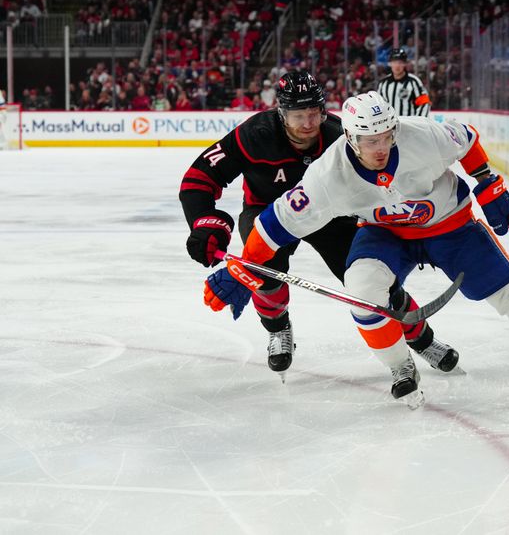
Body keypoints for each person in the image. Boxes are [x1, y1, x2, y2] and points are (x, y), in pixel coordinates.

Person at [202, 91, 509, 408]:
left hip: (451, 226)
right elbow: (274, 225)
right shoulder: (327, 175)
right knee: (361, 288)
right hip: (384, 233)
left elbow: (466, 139)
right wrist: (244, 268)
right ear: (349, 137)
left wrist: (487, 182)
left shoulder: (421, 134)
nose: (382, 146)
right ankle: (400, 366)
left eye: (387, 135)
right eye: (370, 140)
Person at [180, 71, 458, 380]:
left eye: (314, 113)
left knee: (373, 279)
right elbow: (199, 177)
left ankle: (422, 339)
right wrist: (204, 223)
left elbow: (381, 182)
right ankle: (278, 329)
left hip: (330, 217)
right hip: (269, 215)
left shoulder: (342, 135)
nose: (309, 124)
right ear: (281, 113)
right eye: (299, 115)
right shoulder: (254, 134)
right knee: (263, 273)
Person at [377, 48, 432, 117]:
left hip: (409, 125)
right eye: (394, 62)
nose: (397, 66)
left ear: (405, 64)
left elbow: (424, 103)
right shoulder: (383, 83)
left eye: (400, 62)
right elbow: (379, 105)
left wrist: (418, 122)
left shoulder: (413, 81)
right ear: (390, 64)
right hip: (390, 126)